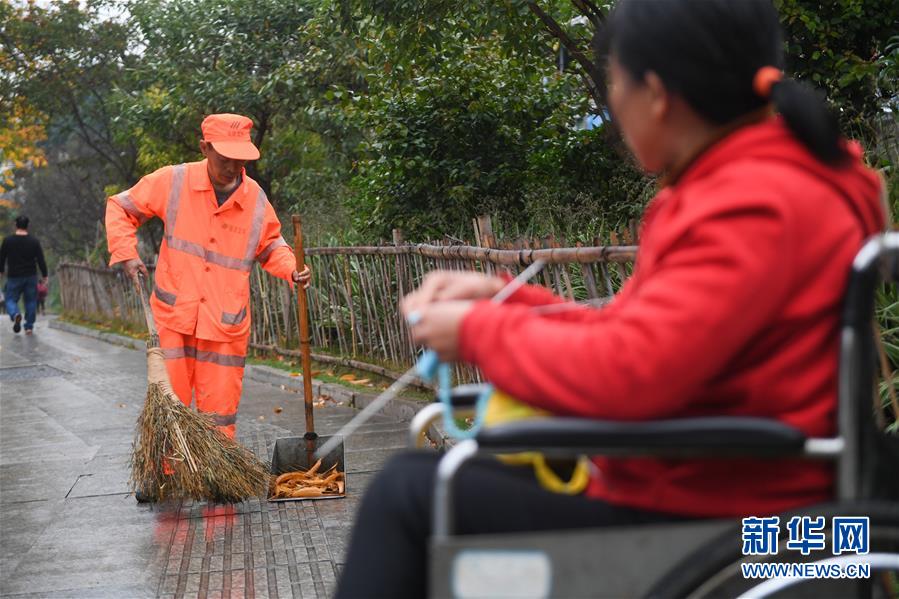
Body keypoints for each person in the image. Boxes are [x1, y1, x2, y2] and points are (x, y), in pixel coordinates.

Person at [335, 1, 886, 596]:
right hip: (753, 504)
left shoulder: (751, 202)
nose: (614, 105)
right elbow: (640, 333)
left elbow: (633, 370)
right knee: (428, 483)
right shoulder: (769, 179)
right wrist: (501, 301)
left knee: (408, 493)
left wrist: (476, 332)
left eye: (614, 83)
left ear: (656, 94)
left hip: (758, 531)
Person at [105, 113, 312, 500]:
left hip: (225, 320)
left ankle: (219, 476)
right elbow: (121, 207)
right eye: (224, 158)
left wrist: (292, 270)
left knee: (219, 412)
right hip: (174, 314)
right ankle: (163, 478)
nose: (232, 168)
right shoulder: (174, 180)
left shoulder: (255, 200)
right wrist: (126, 254)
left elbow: (272, 246)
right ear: (204, 149)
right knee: (169, 404)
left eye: (240, 160)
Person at [0, 216, 49, 335]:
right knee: (31, 301)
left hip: (14, 276)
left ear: (16, 225)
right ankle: (28, 327)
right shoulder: (34, 241)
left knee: (10, 299)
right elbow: (40, 259)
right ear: (27, 226)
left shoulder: (8, 240)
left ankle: (15, 314)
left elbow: (1, 258)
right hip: (31, 276)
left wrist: (1, 271)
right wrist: (45, 275)